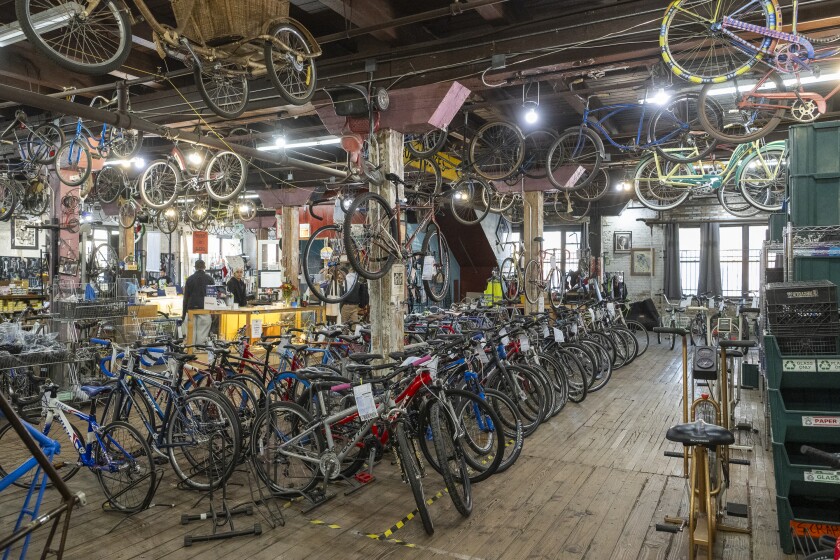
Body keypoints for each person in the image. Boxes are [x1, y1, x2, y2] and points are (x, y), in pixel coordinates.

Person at [182, 259, 215, 345]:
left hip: (191, 309)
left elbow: (186, 298)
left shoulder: (189, 279)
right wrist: (213, 313)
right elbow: (212, 297)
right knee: (202, 335)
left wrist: (183, 314)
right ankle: (200, 354)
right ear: (204, 267)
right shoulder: (210, 279)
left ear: (195, 267)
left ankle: (190, 354)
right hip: (205, 309)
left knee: (191, 335)